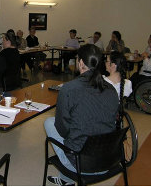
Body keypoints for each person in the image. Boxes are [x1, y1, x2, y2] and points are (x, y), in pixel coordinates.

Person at [44, 44, 119, 186]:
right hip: (109, 159)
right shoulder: (111, 89)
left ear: (81, 63)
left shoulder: (69, 89)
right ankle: (66, 180)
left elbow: (62, 129)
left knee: (49, 122)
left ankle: (68, 177)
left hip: (81, 164)